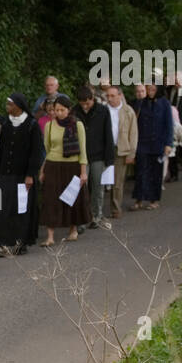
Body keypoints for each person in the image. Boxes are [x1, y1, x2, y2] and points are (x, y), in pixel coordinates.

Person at [0, 91, 43, 256]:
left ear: (18, 106)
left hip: (23, 175)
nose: (7, 107)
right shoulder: (6, 124)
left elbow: (36, 152)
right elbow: (1, 149)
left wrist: (30, 174)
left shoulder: (31, 125)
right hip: (6, 174)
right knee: (0, 208)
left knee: (21, 209)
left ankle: (21, 242)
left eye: (10, 104)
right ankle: (1, 243)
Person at [38, 94, 90, 245]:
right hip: (53, 165)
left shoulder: (77, 125)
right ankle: (50, 236)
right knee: (50, 199)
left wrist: (83, 171)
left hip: (72, 165)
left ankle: (73, 230)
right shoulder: (49, 126)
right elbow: (47, 150)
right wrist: (42, 170)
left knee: (71, 198)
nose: (58, 113)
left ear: (69, 110)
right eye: (56, 110)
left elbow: (83, 150)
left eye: (62, 110)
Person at [74, 84, 114, 229]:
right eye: (82, 103)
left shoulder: (102, 111)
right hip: (81, 156)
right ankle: (82, 219)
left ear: (92, 99)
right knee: (82, 188)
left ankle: (96, 216)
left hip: (98, 155)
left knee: (98, 187)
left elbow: (108, 134)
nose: (85, 106)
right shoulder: (75, 112)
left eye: (88, 103)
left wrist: (109, 159)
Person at [130, 81, 173, 210]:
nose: (150, 92)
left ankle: (154, 200)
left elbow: (169, 124)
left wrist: (168, 143)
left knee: (156, 173)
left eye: (153, 90)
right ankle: (139, 199)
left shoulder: (164, 103)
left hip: (158, 143)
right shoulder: (141, 103)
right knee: (141, 172)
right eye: (148, 89)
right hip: (142, 143)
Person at [105, 84, 138, 219]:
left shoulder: (128, 111)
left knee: (117, 181)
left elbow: (133, 133)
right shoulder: (103, 110)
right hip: (106, 149)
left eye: (113, 96)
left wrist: (131, 153)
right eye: (108, 96)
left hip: (121, 149)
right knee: (103, 179)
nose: (110, 98)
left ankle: (116, 208)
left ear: (120, 95)